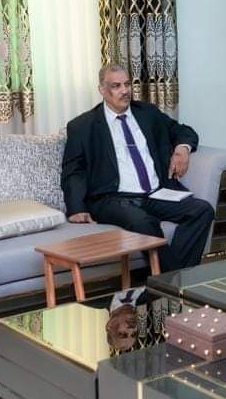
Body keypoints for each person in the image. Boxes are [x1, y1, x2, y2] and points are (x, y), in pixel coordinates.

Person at [61, 64, 215, 271]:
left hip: (155, 194)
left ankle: (171, 278)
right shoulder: (83, 126)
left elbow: (183, 131)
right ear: (102, 90)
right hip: (113, 198)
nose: (125, 91)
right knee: (144, 223)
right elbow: (73, 170)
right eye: (116, 86)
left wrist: (182, 149)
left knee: (202, 210)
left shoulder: (147, 113)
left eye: (127, 84)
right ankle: (176, 280)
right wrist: (76, 208)